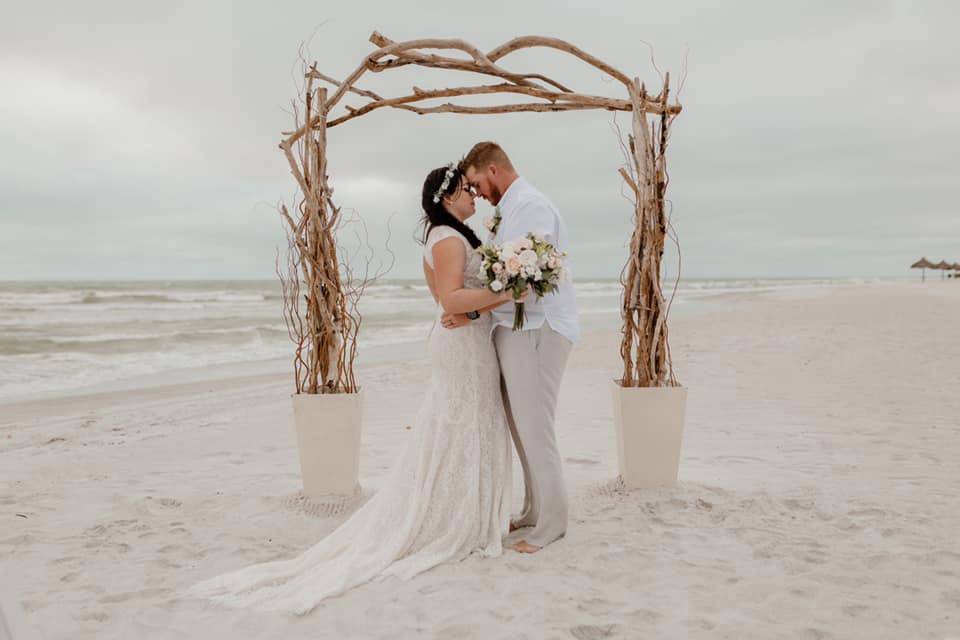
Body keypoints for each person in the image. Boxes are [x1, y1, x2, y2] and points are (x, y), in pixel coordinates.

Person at [186, 163, 522, 615]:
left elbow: (452, 303)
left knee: (465, 423)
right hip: (463, 346)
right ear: (446, 197)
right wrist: (508, 294)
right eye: (467, 190)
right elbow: (450, 301)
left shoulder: (453, 236)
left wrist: (480, 308)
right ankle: (455, 519)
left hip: (465, 340)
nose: (475, 196)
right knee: (462, 422)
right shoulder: (447, 239)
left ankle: (473, 512)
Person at [458, 141, 580, 554]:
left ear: (493, 170)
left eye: (476, 183)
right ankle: (532, 509)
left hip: (537, 328)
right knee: (519, 425)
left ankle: (553, 522)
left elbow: (532, 275)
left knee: (535, 425)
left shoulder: (530, 206)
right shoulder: (508, 210)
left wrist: (476, 309)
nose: (476, 194)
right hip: (513, 327)